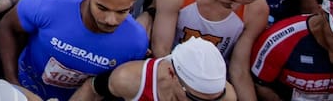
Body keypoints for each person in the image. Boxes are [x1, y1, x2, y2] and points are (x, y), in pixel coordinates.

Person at [0, 0, 150, 101]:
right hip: (24, 91)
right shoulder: (47, 4)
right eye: (102, 8)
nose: (111, 20)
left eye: (122, 11)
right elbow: (7, 26)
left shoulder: (136, 42)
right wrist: (12, 82)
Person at [150, 0, 269, 99]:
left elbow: (239, 70)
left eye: (245, 3)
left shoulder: (258, 9)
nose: (235, 7)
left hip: (216, 83)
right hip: (176, 70)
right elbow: (161, 49)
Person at [92, 38, 235, 101]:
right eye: (195, 99)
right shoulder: (129, 79)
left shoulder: (225, 96)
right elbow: (91, 90)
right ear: (171, 73)